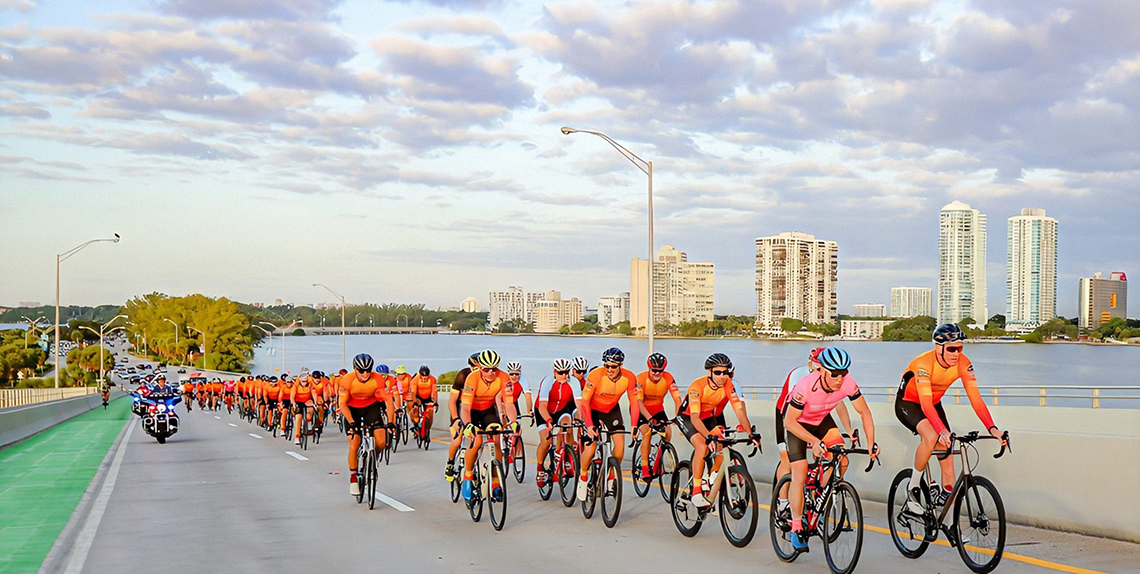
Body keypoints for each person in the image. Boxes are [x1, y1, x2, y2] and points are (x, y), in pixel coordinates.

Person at [896, 324, 1007, 513]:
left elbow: (976, 400)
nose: (957, 353)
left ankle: (949, 524)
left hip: (934, 403)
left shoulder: (963, 363)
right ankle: (913, 488)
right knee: (931, 437)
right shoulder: (923, 364)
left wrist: (993, 428)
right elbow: (925, 404)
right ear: (938, 347)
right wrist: (941, 430)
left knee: (948, 461)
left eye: (960, 348)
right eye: (952, 349)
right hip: (909, 403)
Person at [782, 347, 879, 554]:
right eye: (834, 374)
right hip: (798, 424)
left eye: (844, 373)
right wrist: (814, 441)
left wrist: (872, 443)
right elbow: (789, 422)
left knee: (842, 459)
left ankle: (822, 496)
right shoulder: (806, 386)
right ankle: (796, 526)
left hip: (821, 420)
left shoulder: (848, 383)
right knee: (799, 473)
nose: (839, 379)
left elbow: (865, 413)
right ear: (822, 371)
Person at [774, 348, 855, 516]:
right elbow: (792, 413)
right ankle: (782, 503)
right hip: (788, 414)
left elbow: (839, 404)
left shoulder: (830, 381)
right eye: (818, 367)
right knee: (787, 459)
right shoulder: (800, 376)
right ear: (811, 364)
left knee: (834, 455)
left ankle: (820, 491)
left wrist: (848, 429)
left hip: (814, 415)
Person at [677, 353, 757, 508]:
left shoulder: (728, 385)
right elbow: (694, 418)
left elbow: (739, 410)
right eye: (718, 372)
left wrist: (750, 433)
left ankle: (712, 478)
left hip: (708, 417)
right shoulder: (697, 386)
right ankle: (696, 490)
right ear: (709, 372)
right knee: (702, 446)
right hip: (688, 417)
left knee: (722, 445)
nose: (722, 376)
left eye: (725, 372)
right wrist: (708, 436)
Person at [577, 347, 638, 501]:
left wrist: (634, 425)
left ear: (620, 365)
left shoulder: (629, 377)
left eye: (613, 366)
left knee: (620, 445)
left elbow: (634, 403)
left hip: (612, 410)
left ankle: (611, 477)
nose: (609, 369)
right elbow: (584, 402)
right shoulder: (595, 375)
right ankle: (583, 477)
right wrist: (589, 425)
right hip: (593, 410)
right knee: (590, 448)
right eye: (607, 366)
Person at [460, 350, 518, 501]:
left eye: (494, 369)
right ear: (480, 367)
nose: (491, 373)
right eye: (486, 369)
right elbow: (465, 407)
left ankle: (496, 482)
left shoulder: (503, 377)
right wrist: (467, 425)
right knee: (477, 441)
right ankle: (467, 476)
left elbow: (509, 404)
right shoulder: (472, 378)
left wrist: (513, 422)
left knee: (497, 440)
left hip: (488, 410)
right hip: (472, 410)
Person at [339, 353, 396, 496]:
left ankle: (373, 458)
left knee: (382, 441)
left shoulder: (377, 379)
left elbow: (388, 401)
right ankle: (353, 477)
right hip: (352, 409)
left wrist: (390, 422)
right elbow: (342, 404)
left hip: (371, 407)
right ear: (355, 369)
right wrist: (351, 423)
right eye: (361, 371)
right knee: (354, 442)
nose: (365, 374)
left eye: (368, 370)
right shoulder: (347, 380)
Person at [634, 352, 682, 479]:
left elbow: (677, 399)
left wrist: (679, 416)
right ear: (649, 368)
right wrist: (649, 418)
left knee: (668, 431)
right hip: (641, 410)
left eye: (660, 371)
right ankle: (644, 467)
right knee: (647, 432)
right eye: (654, 370)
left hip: (658, 410)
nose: (656, 374)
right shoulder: (640, 379)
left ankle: (658, 462)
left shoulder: (668, 378)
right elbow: (638, 402)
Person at [535, 358, 580, 489]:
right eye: (561, 373)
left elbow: (579, 404)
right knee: (546, 441)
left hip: (561, 410)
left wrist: (581, 419)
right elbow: (542, 406)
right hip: (543, 411)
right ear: (555, 371)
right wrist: (548, 420)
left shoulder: (574, 381)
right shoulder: (547, 381)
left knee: (568, 426)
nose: (565, 376)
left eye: (567, 372)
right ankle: (540, 467)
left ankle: (566, 455)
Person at [445, 354, 481, 482]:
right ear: (470, 367)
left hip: (475, 409)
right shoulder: (463, 376)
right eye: (475, 368)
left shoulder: (485, 377)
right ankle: (450, 463)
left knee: (476, 440)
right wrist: (455, 419)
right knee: (457, 439)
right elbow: (452, 401)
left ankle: (472, 467)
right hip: (461, 407)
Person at [290, 369, 320, 446]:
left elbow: (314, 394)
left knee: (310, 408)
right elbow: (292, 397)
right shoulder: (296, 386)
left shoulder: (310, 385)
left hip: (307, 400)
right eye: (303, 382)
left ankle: (309, 422)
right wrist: (293, 403)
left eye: (305, 382)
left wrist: (315, 403)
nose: (304, 383)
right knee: (299, 417)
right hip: (298, 401)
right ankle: (297, 436)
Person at [408, 365, 438, 438]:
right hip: (418, 397)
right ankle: (415, 426)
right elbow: (413, 393)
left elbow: (434, 392)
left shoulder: (432, 379)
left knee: (430, 412)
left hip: (428, 398)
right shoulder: (415, 380)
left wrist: (435, 402)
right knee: (415, 410)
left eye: (426, 377)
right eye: (423, 377)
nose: (425, 379)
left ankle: (427, 430)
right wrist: (415, 402)